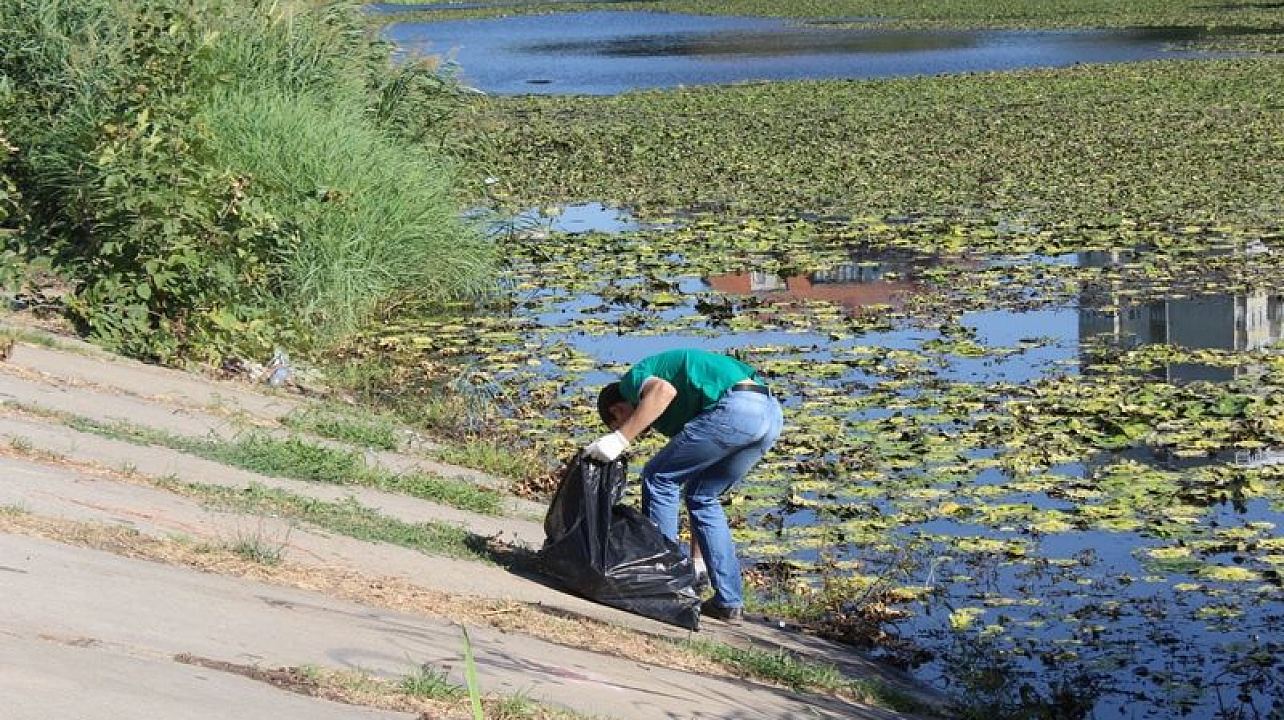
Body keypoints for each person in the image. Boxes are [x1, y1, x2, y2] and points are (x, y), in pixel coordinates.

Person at [585, 348, 784, 625]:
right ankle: (728, 602)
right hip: (770, 414)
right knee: (703, 495)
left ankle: (667, 587)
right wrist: (696, 563)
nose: (639, 430)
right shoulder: (673, 418)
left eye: (621, 421)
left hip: (737, 407)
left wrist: (619, 438)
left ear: (617, 410)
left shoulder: (633, 380)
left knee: (658, 478)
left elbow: (663, 391)